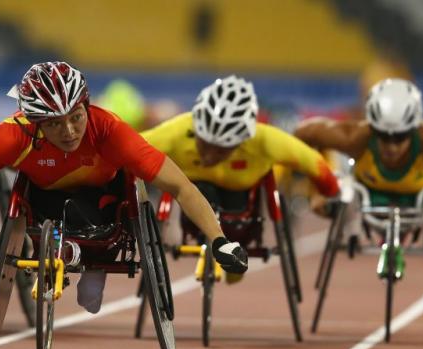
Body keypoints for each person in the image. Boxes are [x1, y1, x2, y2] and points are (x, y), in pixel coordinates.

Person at [0, 61, 248, 314]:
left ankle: (96, 263)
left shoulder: (110, 130)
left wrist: (220, 240)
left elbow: (180, 186)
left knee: (95, 216)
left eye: (76, 117)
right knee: (43, 200)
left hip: (103, 209)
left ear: (86, 106)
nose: (68, 132)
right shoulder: (12, 135)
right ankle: (56, 249)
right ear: (34, 122)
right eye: (54, 124)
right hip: (44, 202)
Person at [140, 75, 340, 280]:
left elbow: (315, 163)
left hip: (241, 208)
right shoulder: (176, 131)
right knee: (199, 190)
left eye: (220, 150)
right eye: (204, 143)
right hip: (192, 197)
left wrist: (327, 195)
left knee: (238, 209)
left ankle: (235, 247)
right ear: (196, 128)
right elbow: (126, 149)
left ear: (242, 141)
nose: (209, 156)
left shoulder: (265, 140)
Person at [294, 78, 423, 221]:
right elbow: (304, 133)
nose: (391, 147)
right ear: (372, 128)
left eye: (400, 137)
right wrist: (316, 190)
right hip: (369, 192)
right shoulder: (354, 138)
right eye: (383, 136)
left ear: (414, 130)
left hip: (417, 195)